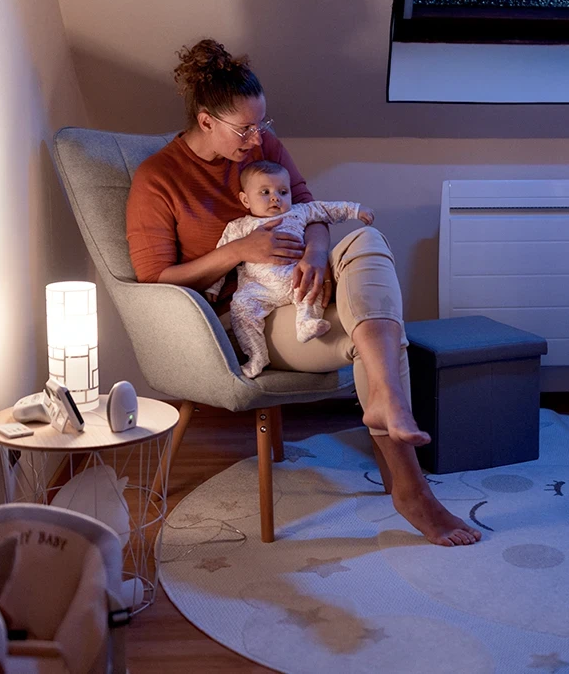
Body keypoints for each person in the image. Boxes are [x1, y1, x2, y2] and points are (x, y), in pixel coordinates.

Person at [125, 39, 481, 546]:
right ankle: (411, 487)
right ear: (205, 122)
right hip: (254, 316)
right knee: (379, 339)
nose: (258, 140)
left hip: (307, 286)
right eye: (244, 129)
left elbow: (311, 209)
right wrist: (238, 250)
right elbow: (154, 281)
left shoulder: (262, 149)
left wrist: (316, 253)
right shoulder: (158, 178)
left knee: (366, 238)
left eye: (262, 125)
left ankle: (386, 404)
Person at [206, 159, 374, 378]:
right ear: (245, 200)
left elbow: (326, 209)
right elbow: (224, 252)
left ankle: (306, 321)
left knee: (314, 284)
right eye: (265, 192)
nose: (275, 197)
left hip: (295, 277)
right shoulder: (240, 226)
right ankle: (257, 355)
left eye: (283, 192)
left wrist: (356, 209)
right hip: (259, 288)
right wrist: (214, 287)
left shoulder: (298, 212)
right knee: (241, 307)